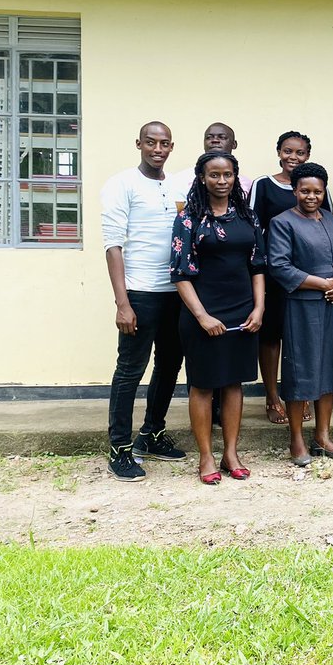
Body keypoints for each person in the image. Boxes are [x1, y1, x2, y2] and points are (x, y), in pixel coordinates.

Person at [171, 151, 266, 484]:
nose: (222, 181)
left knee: (233, 383)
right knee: (203, 385)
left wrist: (259, 308)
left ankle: (230, 453)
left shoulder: (247, 216)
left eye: (228, 175)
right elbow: (180, 274)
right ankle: (206, 457)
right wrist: (202, 316)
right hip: (204, 313)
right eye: (214, 175)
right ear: (202, 178)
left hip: (242, 312)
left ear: (235, 177)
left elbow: (257, 266)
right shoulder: (189, 218)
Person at [100, 121, 187, 482]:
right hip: (139, 293)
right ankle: (118, 448)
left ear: (171, 147)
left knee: (169, 366)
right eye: (150, 142)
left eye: (164, 143)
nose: (157, 148)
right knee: (130, 371)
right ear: (139, 143)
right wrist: (123, 303)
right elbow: (113, 246)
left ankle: (151, 434)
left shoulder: (179, 184)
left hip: (176, 293)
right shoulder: (121, 184)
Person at [266, 163, 333, 465]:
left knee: (330, 367)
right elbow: (279, 266)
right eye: (305, 190)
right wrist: (322, 284)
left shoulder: (332, 219)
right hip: (301, 305)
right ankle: (297, 440)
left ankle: (323, 436)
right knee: (301, 370)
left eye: (317, 191)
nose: (311, 196)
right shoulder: (282, 222)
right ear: (295, 190)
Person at [250, 131, 333, 425]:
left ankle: (303, 395)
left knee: (305, 339)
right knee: (272, 336)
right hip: (276, 275)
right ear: (278, 152)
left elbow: (328, 229)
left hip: (311, 277)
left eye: (299, 153)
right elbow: (253, 230)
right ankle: (273, 397)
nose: (293, 158)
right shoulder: (263, 185)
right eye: (288, 151)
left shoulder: (314, 185)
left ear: (307, 156)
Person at [170, 122, 251, 210]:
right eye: (209, 137)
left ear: (234, 144)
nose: (215, 140)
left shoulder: (247, 184)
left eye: (222, 137)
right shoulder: (181, 179)